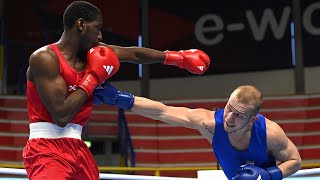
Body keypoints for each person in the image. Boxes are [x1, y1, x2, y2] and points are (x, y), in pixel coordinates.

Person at [23, 1, 210, 180]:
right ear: (81, 24)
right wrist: (93, 78)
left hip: (78, 148)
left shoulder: (92, 55)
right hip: (46, 148)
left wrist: (177, 58)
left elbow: (133, 54)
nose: (100, 36)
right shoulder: (45, 59)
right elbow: (61, 116)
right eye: (97, 27)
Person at [94, 83, 302, 179]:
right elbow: (162, 112)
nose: (229, 118)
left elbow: (295, 161)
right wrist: (120, 99)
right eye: (229, 107)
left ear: (252, 119)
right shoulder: (210, 123)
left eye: (239, 115)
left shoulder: (270, 133)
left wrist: (267, 175)